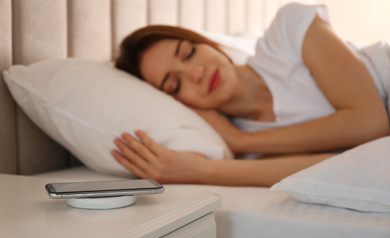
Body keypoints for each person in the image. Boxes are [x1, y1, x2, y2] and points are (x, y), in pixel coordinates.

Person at [111, 3, 389, 186]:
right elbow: (343, 169)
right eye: (175, 84)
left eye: (189, 52)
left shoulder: (287, 32)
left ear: (208, 44)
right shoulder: (249, 155)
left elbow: (372, 123)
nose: (196, 73)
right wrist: (203, 169)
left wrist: (243, 140)